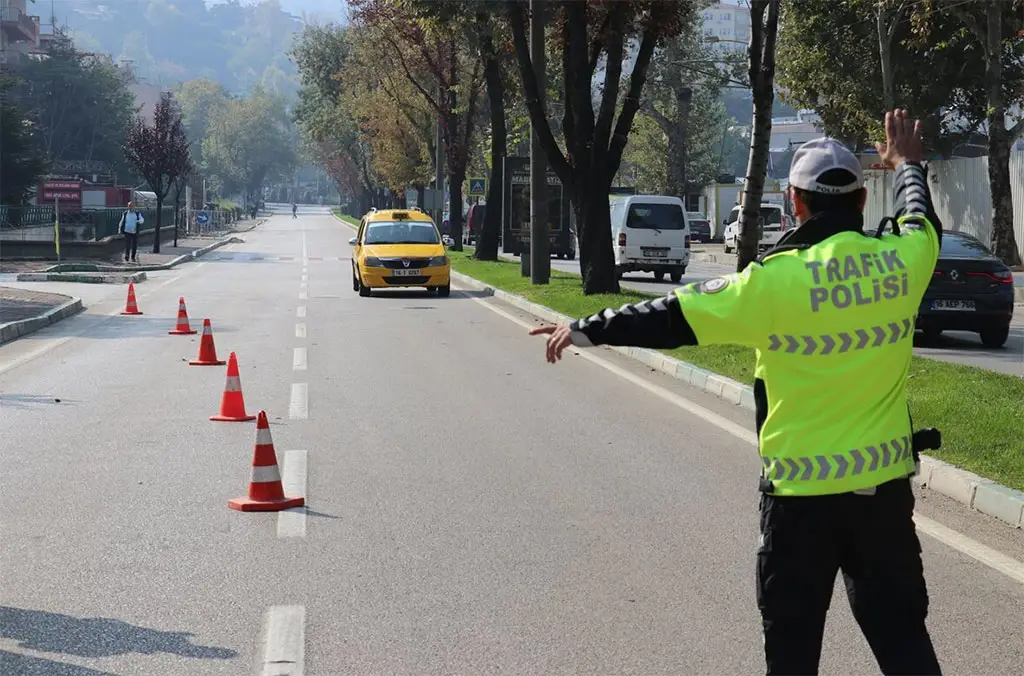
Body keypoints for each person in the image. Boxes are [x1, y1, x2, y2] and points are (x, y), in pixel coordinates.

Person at [529, 109, 943, 676]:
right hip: (883, 505)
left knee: (791, 658)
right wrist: (907, 164)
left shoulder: (771, 283)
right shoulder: (902, 263)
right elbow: (921, 219)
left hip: (799, 507)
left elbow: (669, 316)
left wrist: (583, 328)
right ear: (861, 203)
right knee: (905, 648)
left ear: (795, 203)